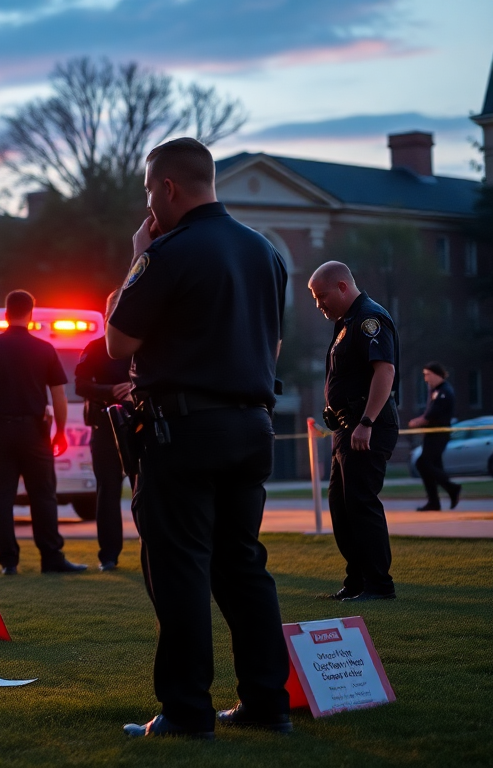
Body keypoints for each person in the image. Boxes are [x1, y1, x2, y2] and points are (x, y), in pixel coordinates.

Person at [108, 137, 291, 739]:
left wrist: (139, 257)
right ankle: (268, 701)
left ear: (167, 188)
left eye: (147, 193)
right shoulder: (264, 251)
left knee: (180, 569)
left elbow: (119, 344)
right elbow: (274, 343)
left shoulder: (169, 252)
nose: (148, 207)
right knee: (243, 566)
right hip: (252, 424)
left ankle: (187, 712)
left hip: (183, 428)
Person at [0, 290, 86, 576]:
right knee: (43, 495)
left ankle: (9, 561)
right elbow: (58, 395)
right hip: (34, 430)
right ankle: (51, 557)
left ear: (6, 314)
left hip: (0, 430)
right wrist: (58, 431)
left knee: (3, 496)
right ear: (30, 314)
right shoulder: (44, 349)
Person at [308, 260, 400, 603]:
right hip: (347, 427)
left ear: (342, 286)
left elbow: (385, 372)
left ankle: (379, 585)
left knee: (360, 503)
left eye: (321, 296)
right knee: (341, 505)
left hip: (366, 425)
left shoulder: (368, 318)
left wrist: (367, 422)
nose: (319, 305)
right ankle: (357, 580)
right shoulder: (346, 322)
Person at [74, 289, 133, 571]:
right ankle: (108, 556)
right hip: (105, 425)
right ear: (107, 313)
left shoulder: (140, 346)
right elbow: (80, 385)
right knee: (107, 491)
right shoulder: (95, 347)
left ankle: (156, 550)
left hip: (137, 423)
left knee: (146, 491)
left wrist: (135, 390)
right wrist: (110, 390)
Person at [409, 362, 461, 511]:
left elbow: (433, 414)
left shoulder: (444, 391)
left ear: (436, 374)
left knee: (422, 463)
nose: (425, 379)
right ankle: (434, 502)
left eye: (427, 375)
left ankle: (452, 488)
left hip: (438, 434)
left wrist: (418, 421)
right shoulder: (435, 391)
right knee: (433, 466)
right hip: (432, 434)